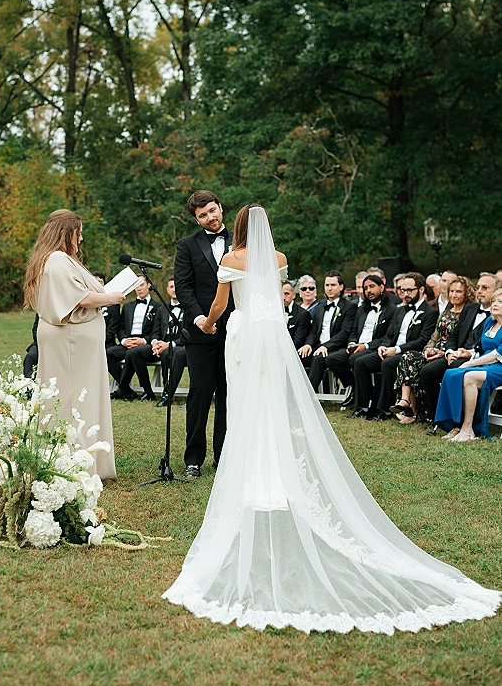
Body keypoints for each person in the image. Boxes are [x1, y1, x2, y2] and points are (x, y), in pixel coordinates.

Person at [162, 205, 500, 634]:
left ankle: (255, 475)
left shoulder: (231, 259)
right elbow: (272, 297)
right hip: (274, 336)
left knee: (247, 403)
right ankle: (274, 474)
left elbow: (222, 303)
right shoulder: (279, 260)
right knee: (269, 404)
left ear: (241, 229)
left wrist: (209, 324)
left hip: (245, 335)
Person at [24, 209, 123, 480]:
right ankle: (73, 462)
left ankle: (86, 460)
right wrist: (112, 297)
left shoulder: (61, 259)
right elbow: (78, 298)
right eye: (78, 233)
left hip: (75, 341)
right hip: (69, 342)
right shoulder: (56, 259)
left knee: (81, 398)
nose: (81, 238)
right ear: (66, 233)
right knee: (73, 401)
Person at [174, 190, 233, 478]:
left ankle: (224, 457)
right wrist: (200, 318)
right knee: (199, 393)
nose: (210, 217)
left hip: (235, 331)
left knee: (228, 394)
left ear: (220, 208)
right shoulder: (187, 246)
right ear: (197, 220)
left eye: (212, 210)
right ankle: (193, 459)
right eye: (203, 215)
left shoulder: (242, 242)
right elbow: (183, 287)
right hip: (199, 334)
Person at [352, 273, 438, 421]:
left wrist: (396, 350)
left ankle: (383, 409)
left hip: (409, 354)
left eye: (410, 290)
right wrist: (384, 346)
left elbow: (422, 341)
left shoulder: (430, 313)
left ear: (422, 289)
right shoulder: (400, 310)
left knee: (387, 364)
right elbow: (390, 335)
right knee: (360, 362)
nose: (405, 294)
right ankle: (363, 406)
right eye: (403, 290)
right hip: (391, 349)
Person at [390, 276, 474, 425]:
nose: (454, 295)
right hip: (435, 350)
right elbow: (435, 336)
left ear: (466, 293)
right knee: (408, 357)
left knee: (424, 369)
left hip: (449, 353)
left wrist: (443, 353)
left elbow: (459, 341)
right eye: (452, 291)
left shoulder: (468, 314)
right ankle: (408, 405)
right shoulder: (446, 311)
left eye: (459, 292)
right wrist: (428, 350)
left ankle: (423, 412)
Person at [420, 272, 498, 423]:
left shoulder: (496, 315)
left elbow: (487, 346)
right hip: (456, 354)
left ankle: (456, 419)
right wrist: (449, 352)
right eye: (478, 287)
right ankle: (435, 416)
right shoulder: (470, 309)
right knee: (428, 371)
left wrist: (467, 355)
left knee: (455, 369)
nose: (479, 291)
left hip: (477, 358)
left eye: (485, 288)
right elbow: (454, 336)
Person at [435, 290, 502, 441]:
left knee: (469, 376)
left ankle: (468, 428)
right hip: (486, 363)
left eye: (501, 302)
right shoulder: (490, 322)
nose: (495, 304)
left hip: (499, 365)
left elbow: (496, 355)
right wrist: (466, 353)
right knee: (451, 373)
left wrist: (470, 363)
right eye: (495, 301)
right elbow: (481, 349)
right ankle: (454, 424)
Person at [326, 274, 396, 409]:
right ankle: (362, 388)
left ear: (381, 287)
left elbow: (388, 337)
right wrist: (351, 343)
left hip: (375, 348)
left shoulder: (392, 310)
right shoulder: (361, 310)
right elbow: (353, 332)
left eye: (371, 287)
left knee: (356, 360)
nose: (368, 291)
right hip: (357, 346)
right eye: (365, 288)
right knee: (332, 359)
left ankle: (361, 405)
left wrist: (366, 346)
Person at [297, 271, 358, 392]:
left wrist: (326, 346)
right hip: (318, 347)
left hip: (336, 348)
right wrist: (308, 344)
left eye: (333, 285)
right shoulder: (320, 308)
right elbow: (313, 332)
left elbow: (344, 333)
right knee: (295, 357)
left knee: (319, 358)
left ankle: (309, 396)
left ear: (341, 287)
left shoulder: (349, 307)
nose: (329, 288)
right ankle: (293, 394)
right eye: (327, 285)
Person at [110, 275, 165, 401]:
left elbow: (157, 331)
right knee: (108, 354)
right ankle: (127, 390)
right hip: (128, 342)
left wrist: (144, 341)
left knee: (133, 353)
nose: (139, 288)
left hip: (146, 343)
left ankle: (134, 390)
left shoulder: (158, 307)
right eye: (136, 286)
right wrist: (124, 340)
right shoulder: (127, 306)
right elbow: (121, 328)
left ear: (149, 285)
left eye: (141, 285)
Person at [152, 278, 188, 408]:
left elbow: (188, 334)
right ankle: (164, 392)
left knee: (170, 353)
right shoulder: (162, 309)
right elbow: (155, 331)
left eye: (177, 286)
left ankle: (166, 394)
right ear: (167, 290)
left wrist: (169, 344)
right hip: (163, 343)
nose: (174, 289)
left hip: (180, 344)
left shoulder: (188, 308)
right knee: (166, 352)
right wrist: (155, 343)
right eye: (171, 287)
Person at [282, 280, 312, 348]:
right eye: (281, 294)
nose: (283, 298)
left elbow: (297, 342)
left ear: (293, 295)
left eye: (286, 294)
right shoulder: (273, 313)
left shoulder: (303, 315)